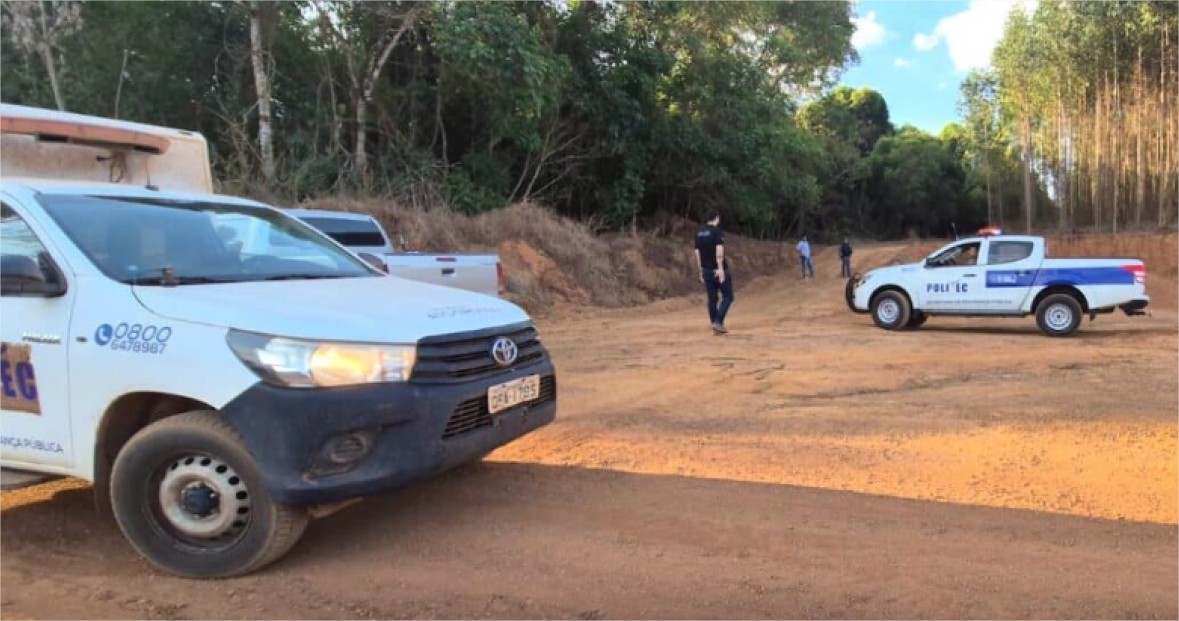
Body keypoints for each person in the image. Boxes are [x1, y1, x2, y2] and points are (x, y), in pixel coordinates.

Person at [694, 210, 733, 334]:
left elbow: (697, 253)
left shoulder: (699, 233)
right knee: (728, 296)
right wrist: (720, 268)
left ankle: (714, 322)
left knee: (712, 298)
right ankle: (718, 321)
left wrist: (700, 270)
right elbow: (719, 251)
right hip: (717, 269)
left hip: (706, 269)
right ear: (717, 218)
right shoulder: (717, 232)